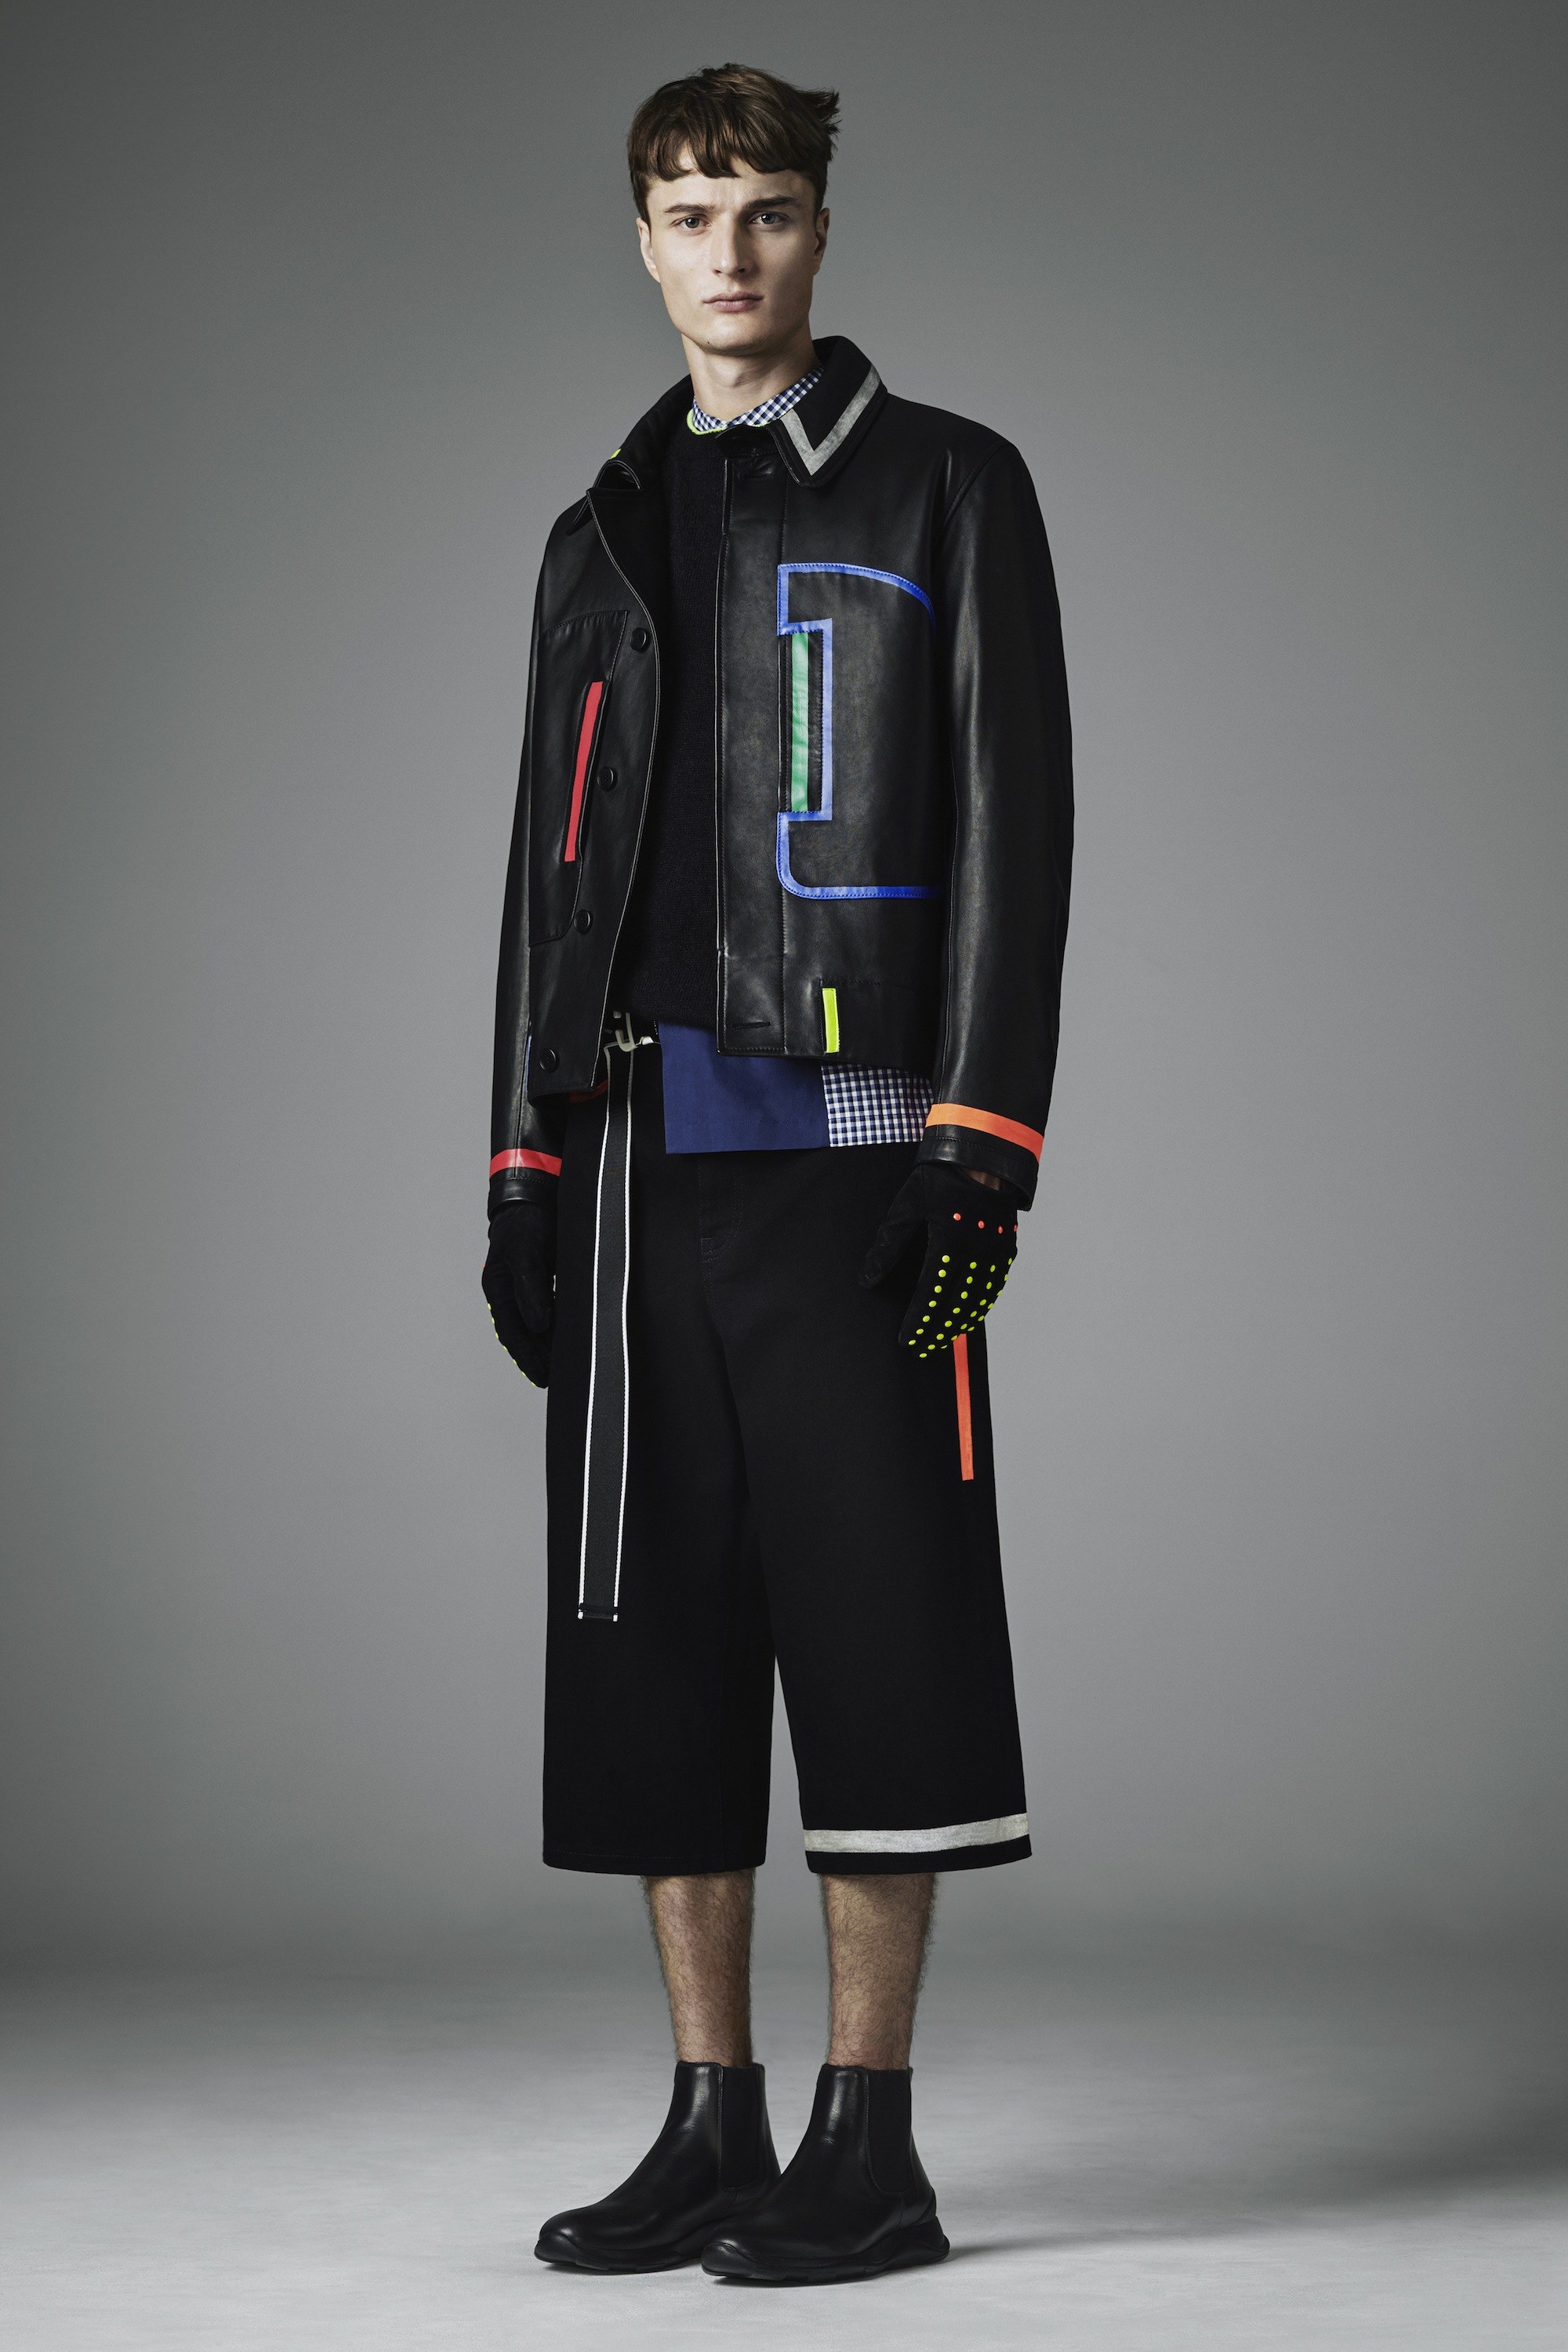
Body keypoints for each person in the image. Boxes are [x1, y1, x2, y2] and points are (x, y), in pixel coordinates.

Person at [482, 61, 1072, 2286]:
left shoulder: (950, 484)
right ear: (639, 240)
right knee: (654, 1650)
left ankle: (873, 2146)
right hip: (634, 1163)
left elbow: (1020, 821)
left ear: (821, 231)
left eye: (768, 211)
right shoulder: (597, 532)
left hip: (856, 1154)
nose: (729, 253)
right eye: (690, 213)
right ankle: (711, 2121)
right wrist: (524, 1159)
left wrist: (982, 1149)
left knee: (881, 1631)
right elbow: (540, 876)